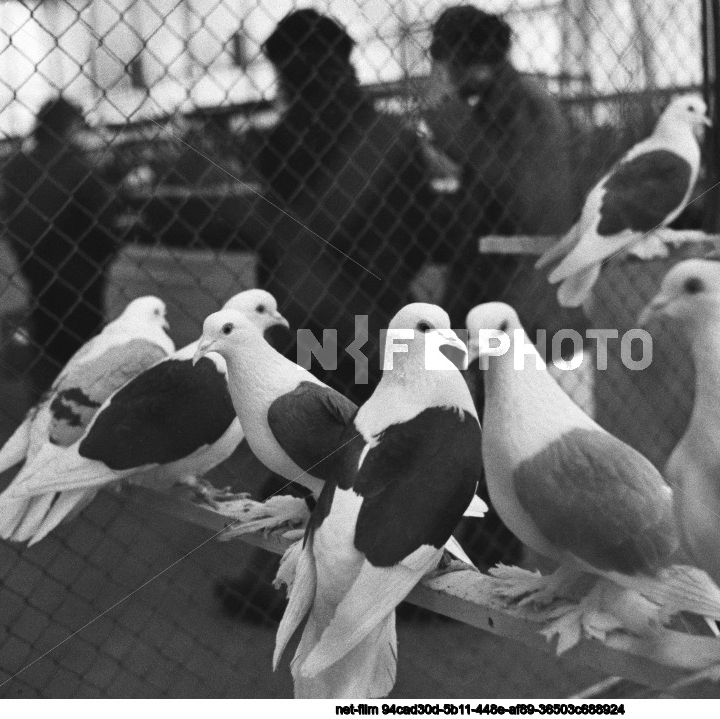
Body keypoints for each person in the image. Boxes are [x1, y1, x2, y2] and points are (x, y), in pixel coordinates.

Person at [216, 9, 448, 624]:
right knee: (382, 442)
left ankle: (281, 580)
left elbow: (272, 238)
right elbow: (425, 230)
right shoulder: (391, 137)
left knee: (307, 447)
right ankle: (403, 576)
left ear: (290, 69)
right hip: (378, 310)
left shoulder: (284, 142)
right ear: (345, 60)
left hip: (310, 314)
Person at [423, 4, 578, 331]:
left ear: (453, 59)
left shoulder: (517, 104)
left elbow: (500, 177)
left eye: (441, 63)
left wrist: (441, 112)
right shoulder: (510, 98)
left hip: (520, 288)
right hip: (525, 284)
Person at [2, 97, 120, 396]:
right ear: (69, 126)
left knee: (48, 350)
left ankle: (45, 414)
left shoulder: (17, 169)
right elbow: (103, 225)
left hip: (39, 274)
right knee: (85, 354)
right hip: (81, 275)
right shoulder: (76, 167)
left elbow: (14, 224)